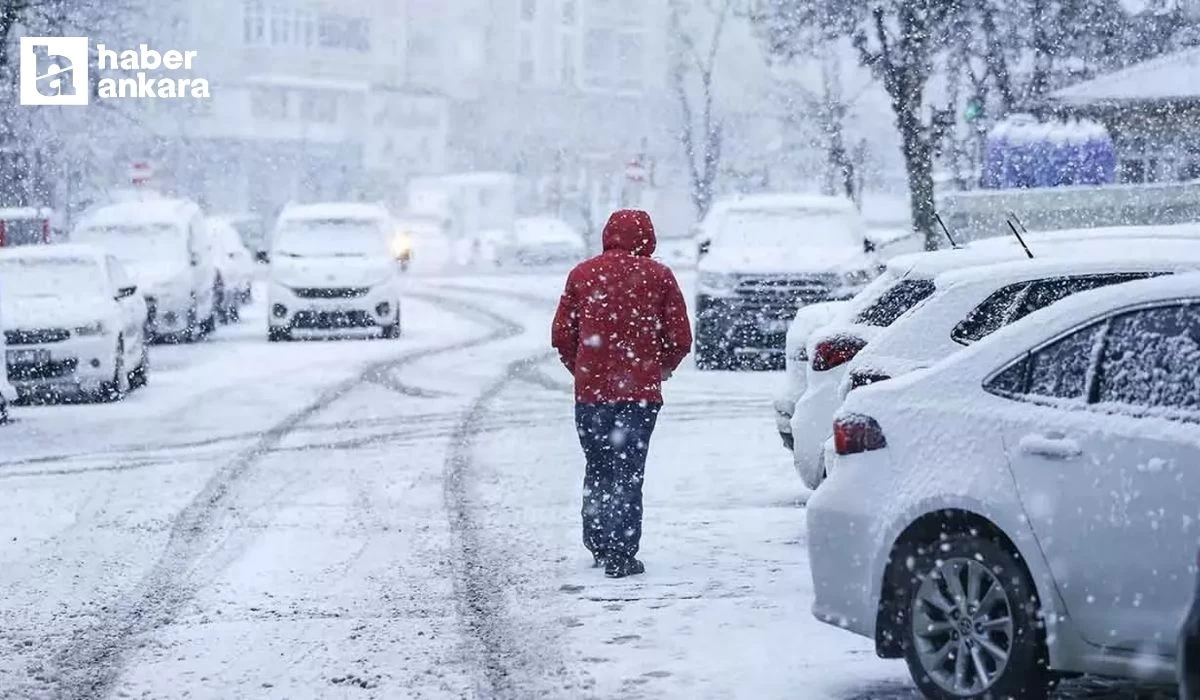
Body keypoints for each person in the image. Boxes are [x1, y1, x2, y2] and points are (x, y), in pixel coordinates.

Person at [551, 209, 693, 579]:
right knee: (628, 470)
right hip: (639, 395)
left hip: (590, 395)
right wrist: (660, 367)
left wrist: (581, 367)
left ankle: (598, 540)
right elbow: (681, 337)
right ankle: (621, 551)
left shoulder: (582, 275)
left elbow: (561, 335)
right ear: (648, 239)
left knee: (598, 466)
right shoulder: (659, 277)